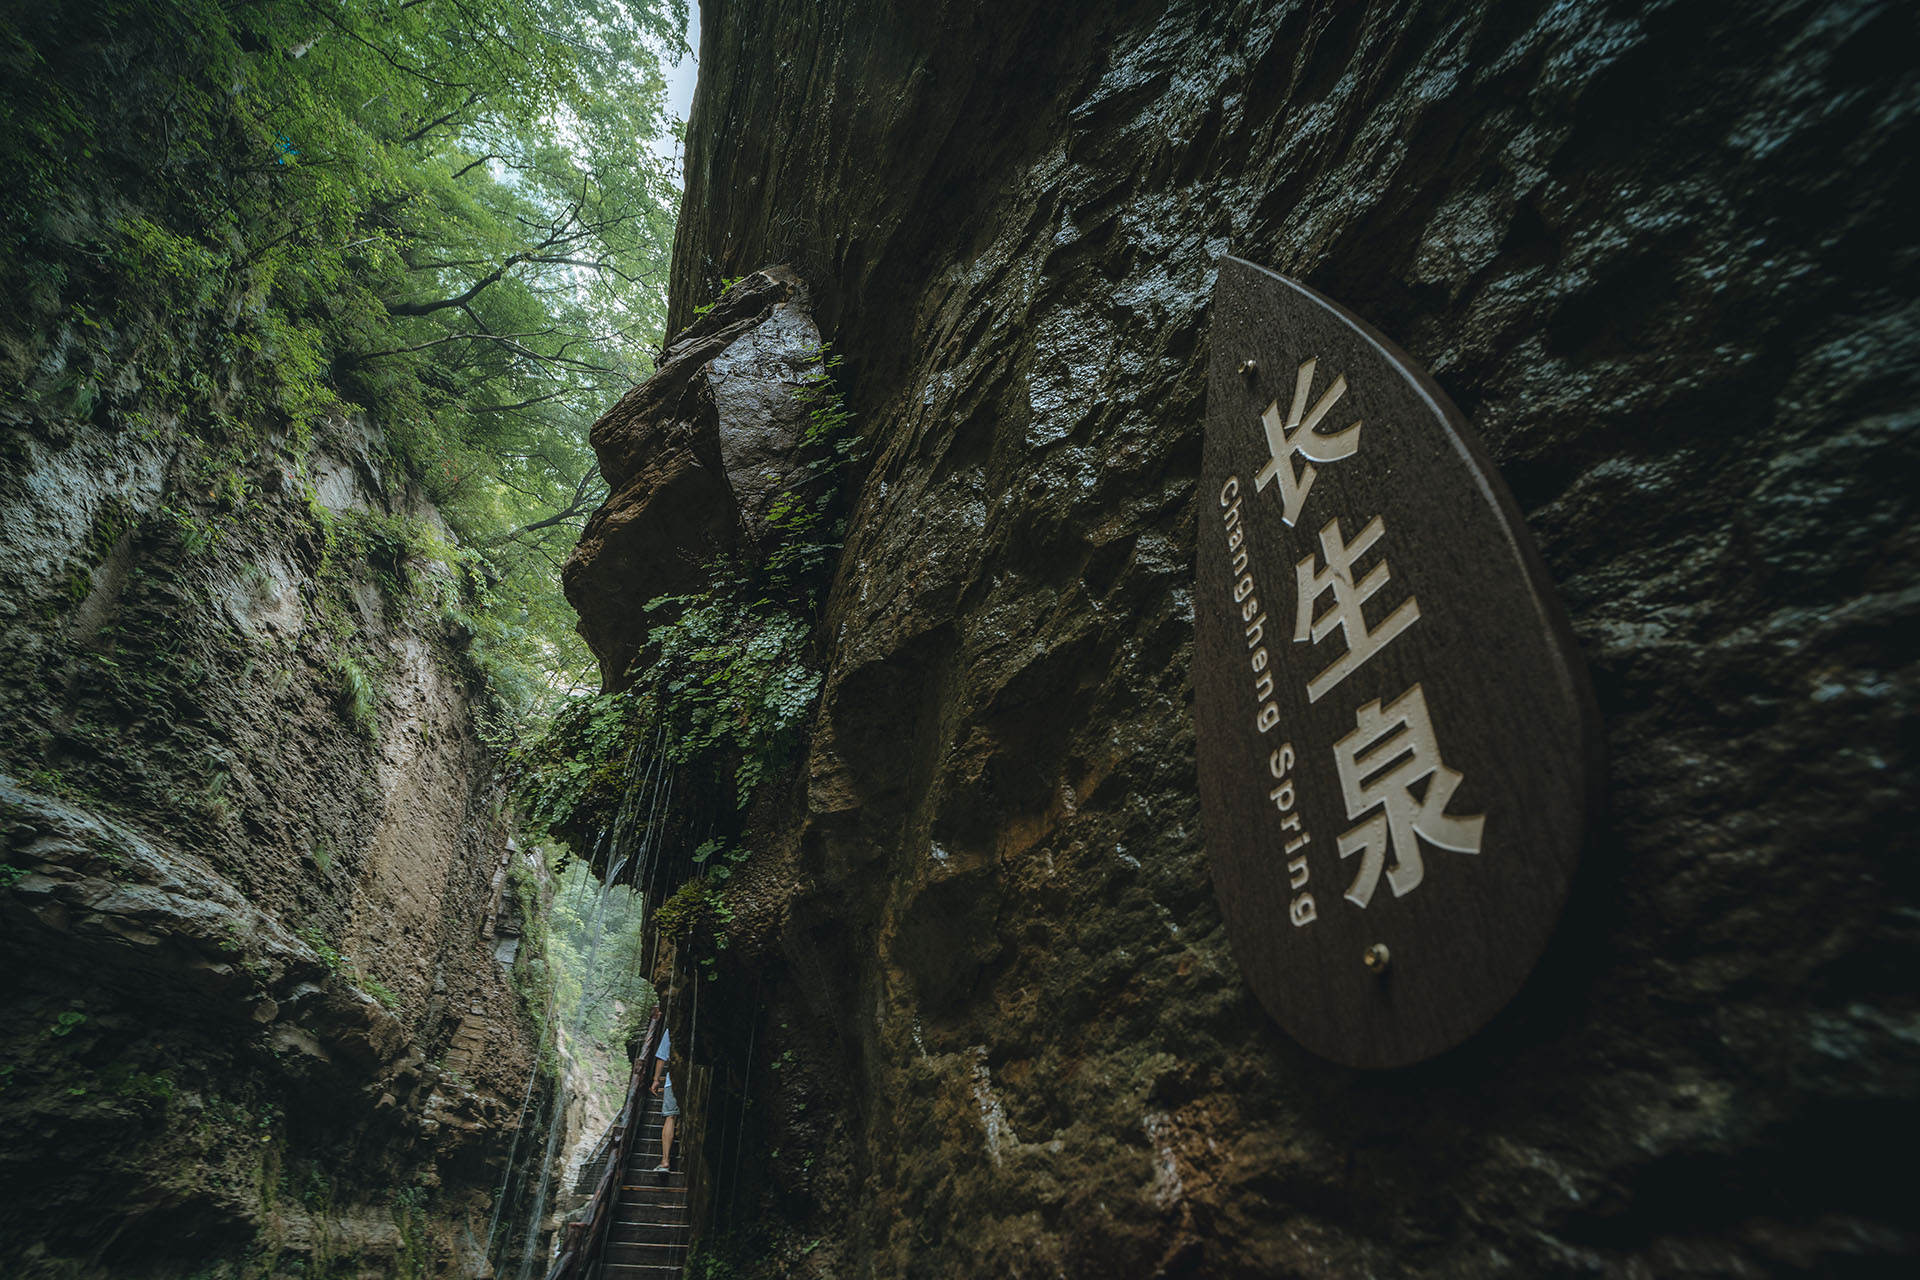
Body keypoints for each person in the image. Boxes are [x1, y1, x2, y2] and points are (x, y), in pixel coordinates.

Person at [650, 1024, 678, 1173]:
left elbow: (662, 1056)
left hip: (673, 1080)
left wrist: (656, 1080)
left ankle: (665, 1160)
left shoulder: (674, 1029)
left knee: (670, 1117)